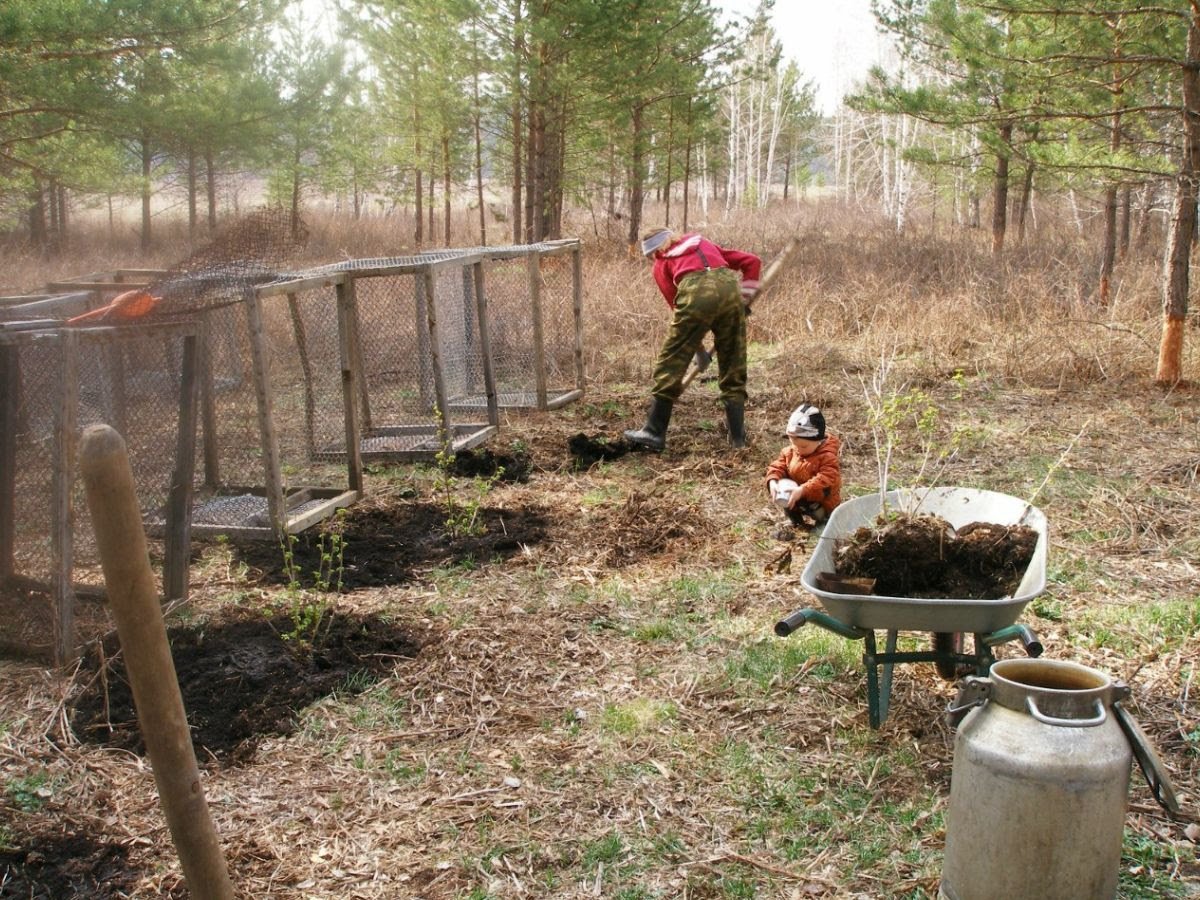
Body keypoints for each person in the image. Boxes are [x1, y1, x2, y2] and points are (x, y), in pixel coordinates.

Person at [623, 228, 762, 451]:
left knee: (671, 361)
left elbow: (679, 310)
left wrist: (697, 352)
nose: (651, 260)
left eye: (650, 256)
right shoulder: (703, 242)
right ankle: (738, 439)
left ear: (655, 251)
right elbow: (752, 262)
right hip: (729, 290)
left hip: (695, 294)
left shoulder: (661, 264)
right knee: (733, 364)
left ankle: (654, 432)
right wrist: (743, 301)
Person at [765, 403, 841, 537]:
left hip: (821, 498)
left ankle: (824, 522)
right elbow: (778, 466)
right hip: (796, 493)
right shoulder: (790, 452)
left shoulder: (827, 456)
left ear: (818, 441)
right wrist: (772, 481)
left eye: (804, 446)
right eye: (794, 444)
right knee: (787, 497)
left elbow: (827, 477)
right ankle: (797, 522)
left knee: (820, 515)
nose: (798, 449)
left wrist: (803, 490)